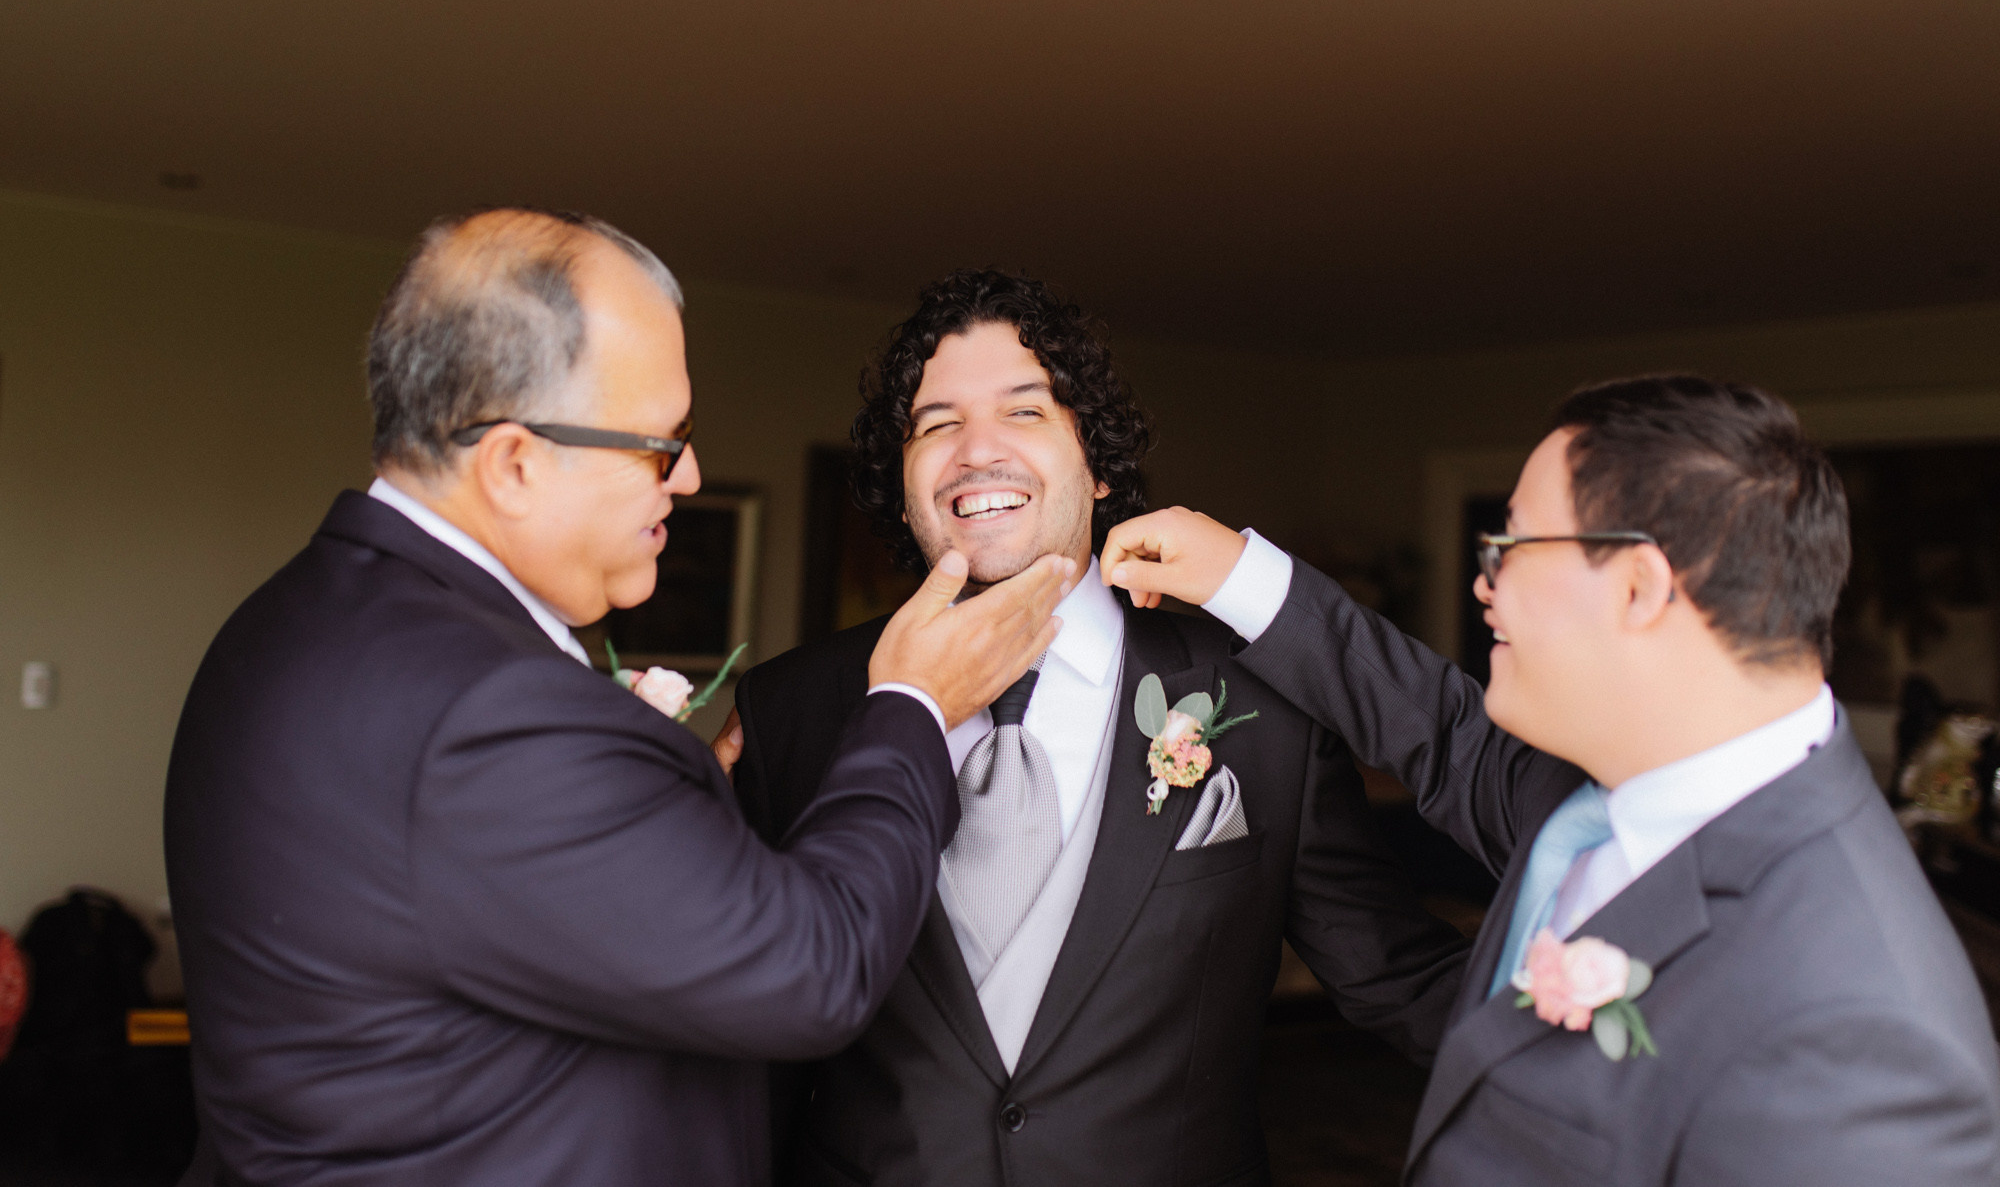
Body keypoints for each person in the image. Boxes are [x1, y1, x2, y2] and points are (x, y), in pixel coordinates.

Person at [163, 210, 1073, 1186]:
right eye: (659, 443)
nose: (689, 476)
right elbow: (814, 970)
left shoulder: (289, 624)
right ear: (514, 464)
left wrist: (665, 806)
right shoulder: (487, 708)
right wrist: (912, 702)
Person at [1103, 374, 2000, 1185]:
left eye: (1514, 545)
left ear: (1639, 587)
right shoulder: (1609, 791)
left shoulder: (1863, 1033)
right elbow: (1446, 731)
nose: (1483, 585)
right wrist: (1238, 577)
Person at [722, 269, 1470, 1187]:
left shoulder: (1262, 705)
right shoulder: (789, 709)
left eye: (1025, 411)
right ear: (902, 481)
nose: (976, 450)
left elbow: (1401, 978)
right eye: (936, 423)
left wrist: (1622, 1052)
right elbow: (748, 1049)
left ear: (1100, 464)